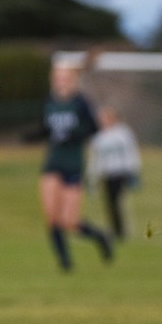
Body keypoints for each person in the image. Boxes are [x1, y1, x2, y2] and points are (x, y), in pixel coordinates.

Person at [30, 62, 113, 271]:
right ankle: (65, 262)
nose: (61, 81)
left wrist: (74, 134)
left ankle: (101, 237)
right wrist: (32, 137)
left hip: (73, 164)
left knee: (70, 222)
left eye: (65, 77)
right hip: (53, 163)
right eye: (57, 77)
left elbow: (93, 128)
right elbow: (45, 129)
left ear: (72, 80)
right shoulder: (49, 102)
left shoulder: (81, 103)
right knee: (52, 217)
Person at [87, 105, 141, 240]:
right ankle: (115, 230)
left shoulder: (123, 133)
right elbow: (95, 158)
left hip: (120, 172)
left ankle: (121, 231)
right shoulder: (98, 136)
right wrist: (92, 177)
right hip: (107, 174)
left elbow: (131, 153)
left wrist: (134, 171)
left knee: (117, 201)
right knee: (109, 203)